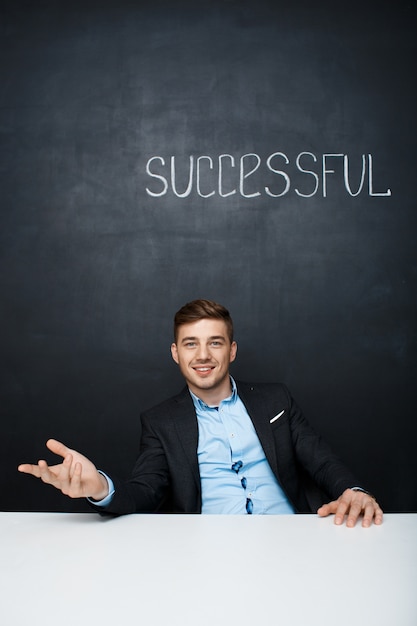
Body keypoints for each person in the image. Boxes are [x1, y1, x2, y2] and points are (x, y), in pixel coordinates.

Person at [18, 299, 383, 527]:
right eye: (191, 344)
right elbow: (145, 491)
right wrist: (98, 487)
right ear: (176, 353)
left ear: (232, 350)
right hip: (206, 553)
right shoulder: (160, 422)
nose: (203, 355)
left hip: (291, 542)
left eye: (215, 342)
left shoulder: (276, 400)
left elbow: (320, 461)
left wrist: (354, 491)